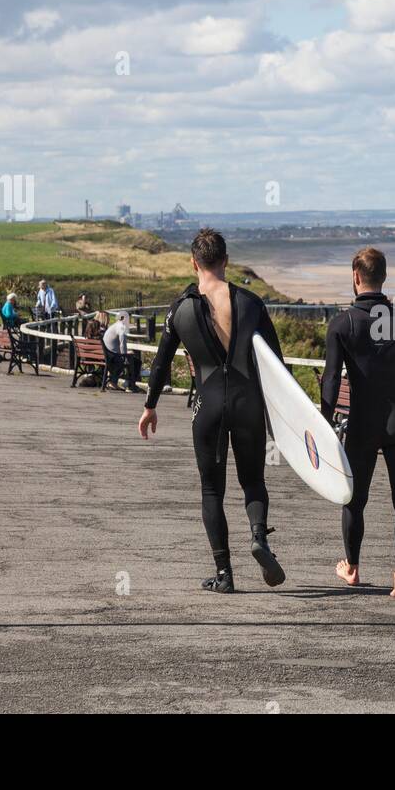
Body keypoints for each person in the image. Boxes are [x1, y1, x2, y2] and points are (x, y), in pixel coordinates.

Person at [138, 227, 285, 594]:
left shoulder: (180, 308)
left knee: (210, 492)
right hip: (247, 403)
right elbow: (278, 366)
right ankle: (259, 538)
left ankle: (224, 573)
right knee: (253, 481)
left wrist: (150, 406)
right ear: (226, 261)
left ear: (193, 263)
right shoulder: (252, 304)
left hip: (206, 408)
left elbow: (160, 363)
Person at [322, 247, 395, 598]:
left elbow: (331, 380)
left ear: (356, 277)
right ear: (383, 277)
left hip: (362, 426)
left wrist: (323, 424)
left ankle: (352, 568)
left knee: (354, 500)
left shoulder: (343, 323)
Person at [102, 310, 143, 393]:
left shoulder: (114, 326)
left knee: (131, 359)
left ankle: (114, 382)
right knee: (137, 362)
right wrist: (125, 355)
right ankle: (129, 385)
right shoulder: (122, 327)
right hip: (113, 357)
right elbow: (122, 344)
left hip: (107, 355)